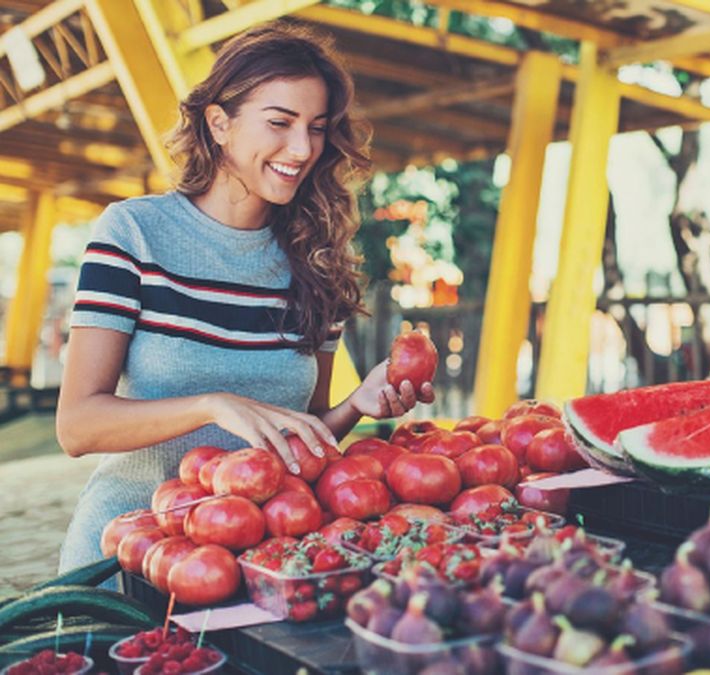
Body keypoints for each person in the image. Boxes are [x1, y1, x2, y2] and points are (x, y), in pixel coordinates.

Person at [55, 22, 432, 573]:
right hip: (129, 552)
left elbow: (299, 444)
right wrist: (213, 405)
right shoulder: (134, 232)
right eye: (280, 122)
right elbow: (77, 426)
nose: (302, 148)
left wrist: (355, 405)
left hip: (257, 565)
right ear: (219, 124)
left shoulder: (319, 261)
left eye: (317, 128)